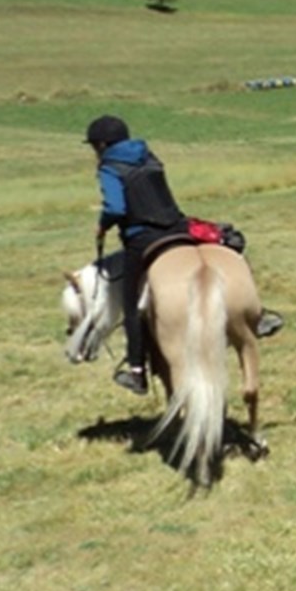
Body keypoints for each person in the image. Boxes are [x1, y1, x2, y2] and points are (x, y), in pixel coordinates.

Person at [87, 115, 192, 395]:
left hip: (142, 237)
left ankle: (137, 371)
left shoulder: (109, 166)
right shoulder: (148, 155)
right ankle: (257, 316)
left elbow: (116, 208)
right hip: (177, 227)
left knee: (131, 303)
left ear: (102, 145)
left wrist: (103, 225)